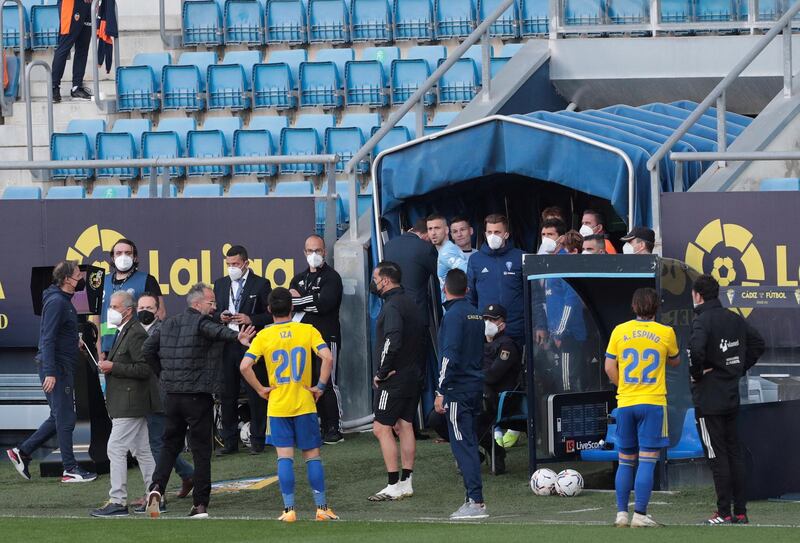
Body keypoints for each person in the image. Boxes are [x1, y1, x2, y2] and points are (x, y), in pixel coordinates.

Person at [142, 283, 255, 519]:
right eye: (211, 302)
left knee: (169, 446)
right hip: (197, 396)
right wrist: (238, 336)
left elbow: (147, 349)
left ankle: (156, 488)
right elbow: (217, 333)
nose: (214, 306)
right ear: (197, 304)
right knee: (201, 451)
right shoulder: (202, 323)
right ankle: (200, 504)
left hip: (171, 396)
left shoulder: (169, 323)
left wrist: (163, 374)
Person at [239, 288, 339, 522]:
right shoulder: (307, 330)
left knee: (284, 457)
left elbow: (245, 366)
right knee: (312, 456)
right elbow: (328, 357)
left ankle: (289, 510)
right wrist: (321, 387)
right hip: (304, 401)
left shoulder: (264, 336)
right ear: (292, 307)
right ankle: (321, 508)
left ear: (269, 309)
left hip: (278, 404)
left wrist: (261, 389)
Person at [6, 261, 97, 483]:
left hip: (61, 365)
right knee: (66, 418)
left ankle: (22, 451)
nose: (81, 279)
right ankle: (70, 469)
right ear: (67, 279)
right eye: (77, 275)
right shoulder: (57, 301)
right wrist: (50, 372)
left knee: (59, 415)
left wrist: (73, 341)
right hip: (57, 368)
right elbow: (46, 338)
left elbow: (59, 332)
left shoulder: (62, 300)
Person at [689, 275, 765, 525]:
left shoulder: (701, 321)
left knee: (716, 455)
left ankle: (723, 512)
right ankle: (740, 511)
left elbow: (696, 352)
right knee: (734, 453)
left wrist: (698, 374)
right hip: (731, 395)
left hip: (708, 399)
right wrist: (738, 369)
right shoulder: (733, 318)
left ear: (698, 295)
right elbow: (758, 344)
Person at [604, 288, 681, 528]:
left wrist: (624, 386)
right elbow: (675, 361)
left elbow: (609, 367)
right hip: (653, 402)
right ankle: (640, 515)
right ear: (656, 307)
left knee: (625, 460)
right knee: (648, 459)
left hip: (626, 402)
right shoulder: (666, 332)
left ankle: (620, 514)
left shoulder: (619, 330)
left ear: (634, 307)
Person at [91, 291, 157, 517]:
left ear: (128, 310)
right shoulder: (126, 330)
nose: (110, 310)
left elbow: (145, 369)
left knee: (116, 449)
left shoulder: (135, 332)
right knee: (143, 451)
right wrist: (109, 364)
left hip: (131, 402)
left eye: (114, 306)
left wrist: (113, 367)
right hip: (128, 402)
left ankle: (118, 500)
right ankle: (155, 497)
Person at [368, 262, 425, 502]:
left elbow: (393, 340)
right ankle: (406, 482)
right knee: (405, 425)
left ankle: (393, 484)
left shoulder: (392, 306)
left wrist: (382, 372)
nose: (373, 282)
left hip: (395, 378)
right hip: (414, 375)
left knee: (381, 428)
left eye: (375, 278)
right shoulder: (411, 302)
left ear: (385, 280)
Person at [435, 269, 488, 519]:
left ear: (445, 288)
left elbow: (449, 355)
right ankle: (473, 499)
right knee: (469, 442)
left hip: (458, 390)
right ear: (467, 289)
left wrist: (440, 390)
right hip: (475, 386)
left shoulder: (453, 315)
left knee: (463, 446)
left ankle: (475, 501)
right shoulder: (476, 313)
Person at [213, 245, 272, 455]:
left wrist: (251, 319)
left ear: (246, 263)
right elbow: (212, 312)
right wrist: (220, 316)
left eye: (236, 264)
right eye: (229, 265)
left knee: (255, 392)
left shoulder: (261, 284)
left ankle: (257, 440)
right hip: (227, 342)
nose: (232, 268)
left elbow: (271, 315)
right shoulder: (220, 284)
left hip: (251, 344)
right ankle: (229, 442)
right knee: (227, 393)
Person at [136, 293, 194, 505]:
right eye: (141, 306)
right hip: (142, 395)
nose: (144, 311)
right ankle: (187, 474)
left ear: (158, 310)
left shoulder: (163, 329)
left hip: (159, 394)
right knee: (158, 443)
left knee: (158, 443)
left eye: (149, 308)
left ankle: (159, 488)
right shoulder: (134, 330)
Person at [289, 235, 344, 445]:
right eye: (310, 251)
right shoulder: (299, 278)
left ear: (325, 252)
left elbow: (325, 305)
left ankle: (334, 427)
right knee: (307, 382)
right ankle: (317, 425)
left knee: (327, 382)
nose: (314, 255)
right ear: (304, 252)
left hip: (326, 337)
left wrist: (300, 300)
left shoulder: (332, 277)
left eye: (318, 250)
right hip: (302, 339)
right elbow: (290, 304)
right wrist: (310, 299)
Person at [97, 238, 164, 359]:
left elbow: (160, 313)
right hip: (107, 348)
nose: (123, 256)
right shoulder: (102, 281)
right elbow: (96, 317)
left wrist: (148, 342)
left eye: (128, 253)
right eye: (118, 253)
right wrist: (99, 347)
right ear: (112, 258)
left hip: (135, 346)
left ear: (135, 257)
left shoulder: (147, 280)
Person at [466, 214, 525, 345]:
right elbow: (470, 298)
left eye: (497, 232)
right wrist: (474, 326)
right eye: (490, 232)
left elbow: (533, 296)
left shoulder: (520, 257)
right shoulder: (475, 260)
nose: (493, 236)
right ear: (485, 234)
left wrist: (539, 326)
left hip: (516, 329)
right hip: (487, 331)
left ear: (506, 234)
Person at [479, 304, 521, 475]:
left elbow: (492, 376)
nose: (488, 322)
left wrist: (470, 374)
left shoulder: (507, 346)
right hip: (479, 397)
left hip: (499, 401)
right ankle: (476, 454)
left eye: (493, 319)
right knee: (438, 418)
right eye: (486, 319)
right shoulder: (478, 343)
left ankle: (494, 453)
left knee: (469, 416)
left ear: (502, 323)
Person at [544, 233, 587, 392]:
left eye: (560, 244)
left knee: (568, 381)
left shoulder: (564, 265)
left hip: (568, 336)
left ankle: (570, 413)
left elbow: (571, 301)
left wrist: (559, 333)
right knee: (559, 378)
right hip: (556, 333)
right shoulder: (552, 265)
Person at [51, 0, 94, 103]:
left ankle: (76, 87)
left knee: (83, 47)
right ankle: (53, 87)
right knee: (65, 45)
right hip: (70, 3)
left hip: (88, 5)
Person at [427, 214, 468, 300]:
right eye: (430, 229)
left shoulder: (446, 253)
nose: (433, 233)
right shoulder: (449, 248)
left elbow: (468, 271)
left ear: (446, 230)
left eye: (437, 228)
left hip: (455, 306)